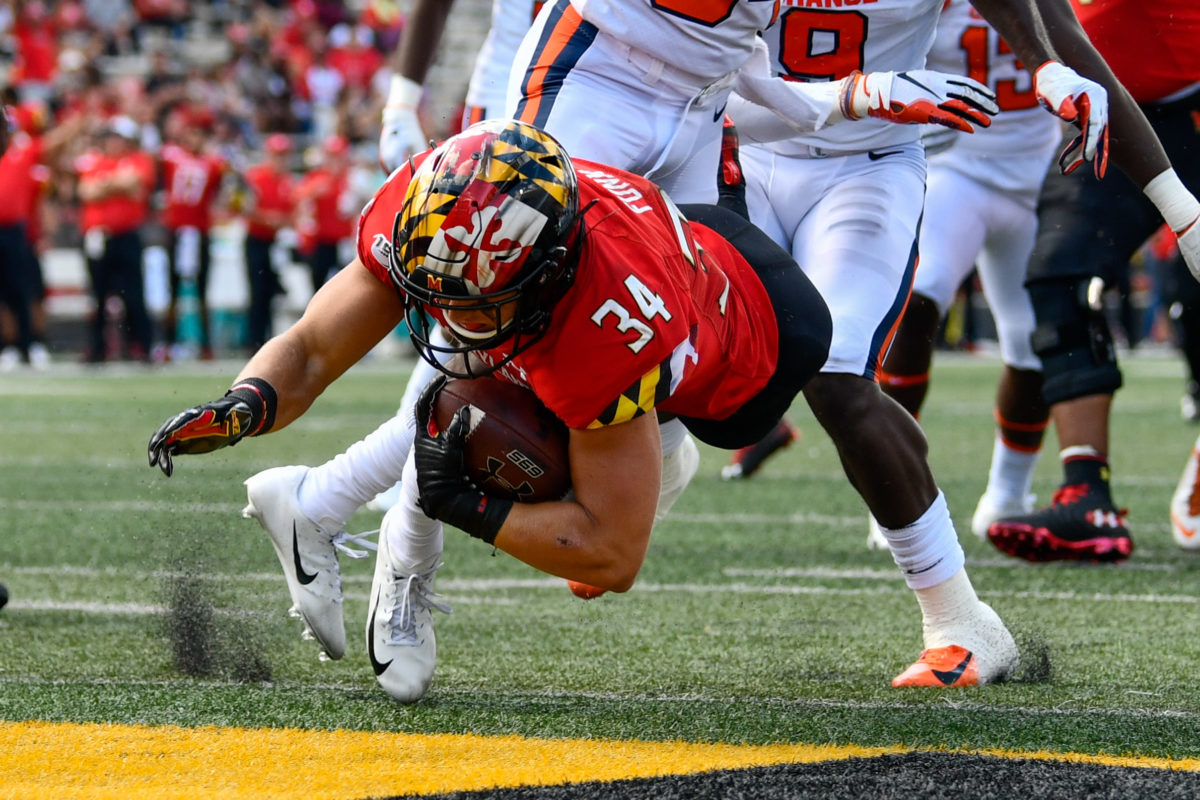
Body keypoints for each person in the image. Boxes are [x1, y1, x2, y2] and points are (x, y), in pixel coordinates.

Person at [188, 0, 1014, 687]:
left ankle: (321, 500)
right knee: (498, 321)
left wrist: (852, 99)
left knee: (655, 348)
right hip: (588, 80)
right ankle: (397, 558)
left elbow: (737, 61)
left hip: (700, 110)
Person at [147, 119, 834, 702]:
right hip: (668, 263)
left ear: (552, 268)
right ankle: (335, 514)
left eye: (478, 300)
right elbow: (313, 348)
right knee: (470, 397)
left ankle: (334, 509)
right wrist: (244, 404)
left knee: (516, 449)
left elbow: (612, 554)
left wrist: (468, 507)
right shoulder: (439, 202)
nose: (449, 315)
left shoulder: (608, 325)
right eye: (440, 294)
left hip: (754, 355)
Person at [986, 0, 1200, 562]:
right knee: (1061, 272)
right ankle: (1086, 493)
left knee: (1193, 295)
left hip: (1190, 102)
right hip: (1117, 107)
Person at [870, 0, 1062, 546]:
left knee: (1029, 341)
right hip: (959, 168)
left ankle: (1008, 494)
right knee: (919, 299)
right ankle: (895, 489)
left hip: (1039, 177)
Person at [74, 116, 157, 363]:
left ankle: (141, 345)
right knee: (98, 294)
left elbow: (133, 184)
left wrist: (104, 185)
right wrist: (115, 184)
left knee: (133, 293)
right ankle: (97, 348)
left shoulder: (139, 160)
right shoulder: (96, 160)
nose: (113, 142)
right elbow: (87, 191)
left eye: (118, 137)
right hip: (98, 236)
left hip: (126, 235)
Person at [159, 110, 228, 361]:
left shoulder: (214, 163)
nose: (195, 139)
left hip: (199, 230)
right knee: (173, 289)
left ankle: (205, 343)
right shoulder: (171, 156)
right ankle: (168, 342)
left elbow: (228, 192)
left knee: (201, 290)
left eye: (199, 134)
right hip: (176, 230)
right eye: (192, 133)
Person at [240, 133, 297, 354]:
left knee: (273, 292)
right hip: (258, 240)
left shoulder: (288, 182)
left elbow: (294, 213)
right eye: (277, 156)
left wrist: (278, 220)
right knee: (257, 291)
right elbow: (245, 207)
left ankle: (268, 340)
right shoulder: (255, 178)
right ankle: (254, 340)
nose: (281, 161)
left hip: (277, 243)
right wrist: (269, 218)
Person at [294, 133, 357, 293]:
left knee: (345, 289)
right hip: (321, 241)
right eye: (331, 156)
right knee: (318, 286)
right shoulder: (316, 178)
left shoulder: (351, 178)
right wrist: (312, 194)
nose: (334, 161)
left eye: (338, 157)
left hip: (343, 240)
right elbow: (298, 200)